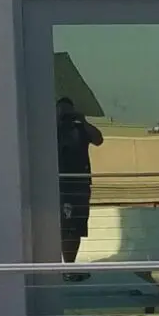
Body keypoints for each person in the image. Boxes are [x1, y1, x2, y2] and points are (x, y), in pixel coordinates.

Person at [55, 96, 103, 280]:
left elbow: (98, 139)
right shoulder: (52, 129)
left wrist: (82, 121)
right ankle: (63, 268)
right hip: (61, 185)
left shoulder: (79, 128)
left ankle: (69, 266)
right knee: (64, 226)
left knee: (76, 227)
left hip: (80, 185)